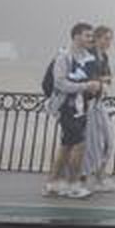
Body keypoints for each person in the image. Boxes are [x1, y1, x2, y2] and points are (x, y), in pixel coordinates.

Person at [43, 23, 101, 198]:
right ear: (76, 36)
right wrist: (86, 86)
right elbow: (59, 83)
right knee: (79, 145)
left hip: (80, 106)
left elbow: (89, 79)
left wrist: (95, 86)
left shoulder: (86, 57)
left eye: (91, 36)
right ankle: (73, 185)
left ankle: (53, 183)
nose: (90, 39)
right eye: (87, 35)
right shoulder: (64, 57)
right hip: (66, 107)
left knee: (67, 146)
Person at [79, 25, 115, 193]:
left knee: (108, 141)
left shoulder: (104, 57)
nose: (109, 42)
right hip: (89, 105)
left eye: (110, 39)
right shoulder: (90, 56)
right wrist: (101, 81)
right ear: (97, 38)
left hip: (99, 103)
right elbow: (92, 80)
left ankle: (99, 176)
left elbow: (108, 80)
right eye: (106, 38)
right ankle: (87, 178)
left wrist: (102, 81)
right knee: (91, 143)